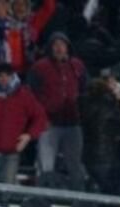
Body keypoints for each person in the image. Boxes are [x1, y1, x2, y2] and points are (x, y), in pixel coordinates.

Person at [28, 32, 86, 184]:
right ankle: (42, 200)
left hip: (73, 124)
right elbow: (31, 97)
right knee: (45, 165)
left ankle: (80, 203)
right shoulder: (40, 67)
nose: (59, 48)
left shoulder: (77, 66)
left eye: (62, 44)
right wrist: (40, 119)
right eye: (55, 44)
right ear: (50, 47)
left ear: (68, 47)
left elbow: (85, 91)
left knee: (75, 164)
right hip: (49, 125)